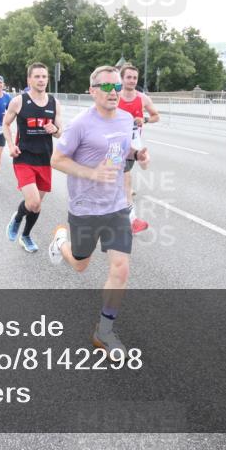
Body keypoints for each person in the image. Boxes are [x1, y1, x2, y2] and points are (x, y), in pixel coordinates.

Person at [48, 65, 149, 356]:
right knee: (80, 264)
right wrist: (92, 174)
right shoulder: (81, 123)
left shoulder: (127, 117)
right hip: (85, 207)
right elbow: (57, 159)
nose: (113, 92)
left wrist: (137, 153)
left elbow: (123, 148)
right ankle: (60, 241)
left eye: (117, 87)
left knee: (121, 267)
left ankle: (104, 331)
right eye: (106, 87)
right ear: (92, 91)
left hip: (116, 206)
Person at [3, 62, 61, 253]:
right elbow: (6, 124)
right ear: (29, 79)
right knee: (33, 202)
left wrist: (55, 129)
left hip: (45, 159)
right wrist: (11, 146)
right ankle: (17, 218)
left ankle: (26, 235)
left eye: (44, 76)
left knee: (36, 207)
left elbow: (60, 132)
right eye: (37, 76)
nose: (41, 80)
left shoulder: (54, 103)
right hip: (24, 158)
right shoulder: (19, 101)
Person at [116, 64, 160, 233]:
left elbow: (156, 116)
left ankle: (119, 216)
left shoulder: (142, 98)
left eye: (135, 78)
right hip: (115, 145)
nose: (132, 81)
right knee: (125, 180)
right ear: (122, 79)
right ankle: (132, 220)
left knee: (120, 182)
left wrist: (145, 120)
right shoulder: (115, 96)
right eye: (129, 77)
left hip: (133, 145)